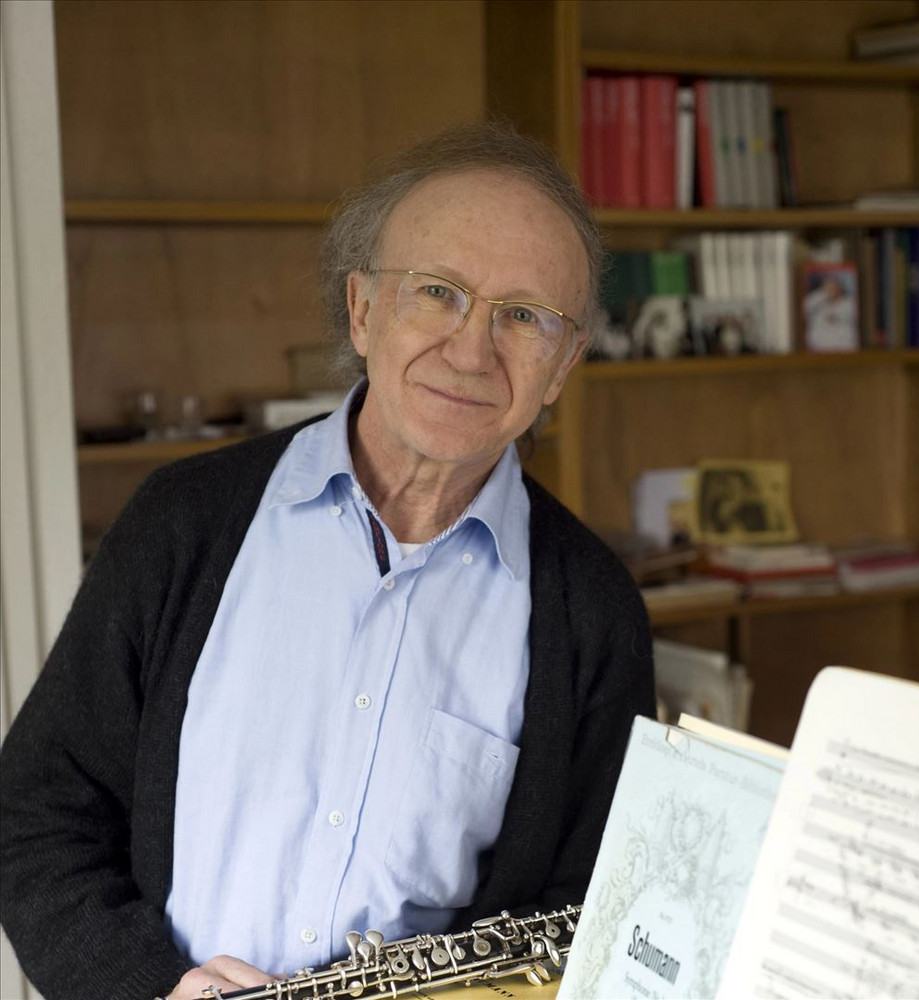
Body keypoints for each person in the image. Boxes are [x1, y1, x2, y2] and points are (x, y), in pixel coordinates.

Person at [0, 123, 654, 1000]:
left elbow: (594, 920)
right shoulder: (184, 521)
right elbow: (35, 815)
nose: (471, 350)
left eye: (524, 316)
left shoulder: (595, 612)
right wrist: (151, 987)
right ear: (363, 310)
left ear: (564, 364)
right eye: (437, 292)